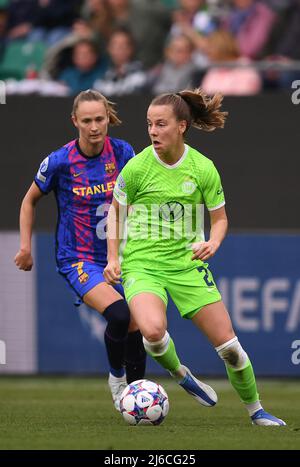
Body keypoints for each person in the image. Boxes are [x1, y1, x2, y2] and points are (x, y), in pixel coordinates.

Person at [104, 88, 286, 426]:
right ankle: (181, 373)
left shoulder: (203, 168)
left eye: (160, 125)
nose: (153, 132)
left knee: (230, 348)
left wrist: (213, 243)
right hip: (142, 265)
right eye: (149, 125)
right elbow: (115, 214)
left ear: (182, 126)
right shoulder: (136, 168)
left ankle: (256, 411)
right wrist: (113, 258)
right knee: (153, 332)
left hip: (187, 265)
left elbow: (220, 219)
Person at [14, 89, 146, 411]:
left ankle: (138, 396)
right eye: (86, 120)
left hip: (121, 254)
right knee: (119, 313)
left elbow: (138, 198)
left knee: (138, 324)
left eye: (99, 119)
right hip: (78, 258)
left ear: (107, 118)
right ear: (75, 121)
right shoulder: (59, 161)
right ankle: (117, 380)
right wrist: (25, 247)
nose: (94, 127)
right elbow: (29, 200)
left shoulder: (124, 152)